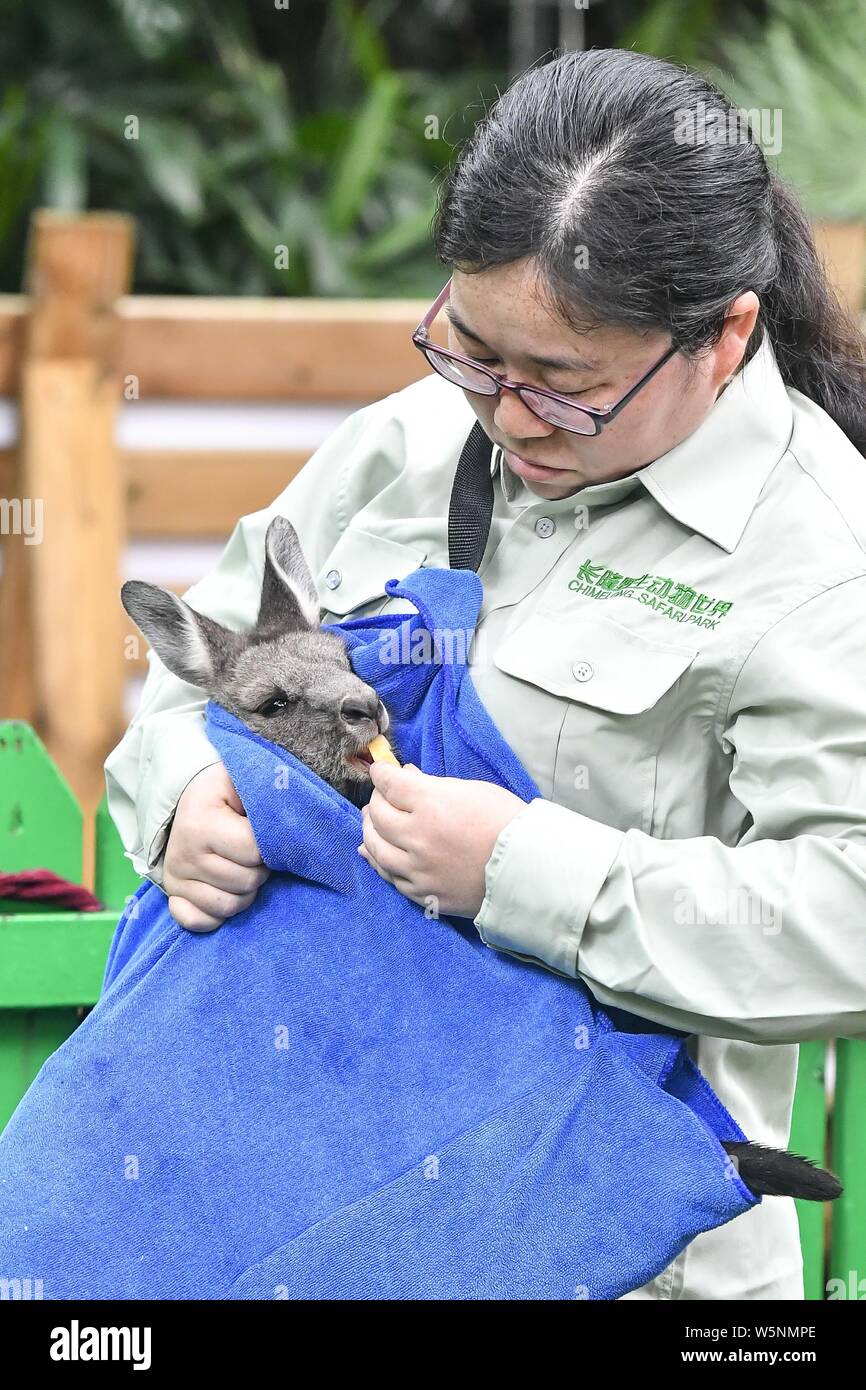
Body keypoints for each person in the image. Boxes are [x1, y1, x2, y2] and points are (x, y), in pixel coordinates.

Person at [104, 47, 866, 1300]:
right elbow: (204, 667)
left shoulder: (819, 558)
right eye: (466, 350)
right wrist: (186, 794)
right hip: (314, 1217)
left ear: (724, 334)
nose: (502, 417)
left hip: (614, 1257)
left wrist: (523, 873)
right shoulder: (404, 446)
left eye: (561, 390)